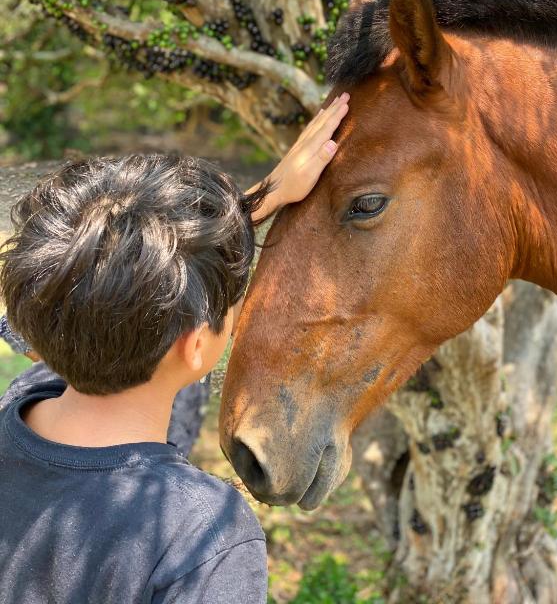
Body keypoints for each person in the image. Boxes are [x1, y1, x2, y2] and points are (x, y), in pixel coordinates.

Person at [0, 93, 349, 604]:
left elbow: (70, 306)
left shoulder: (22, 399)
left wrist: (260, 201)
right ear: (195, 345)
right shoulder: (203, 536)